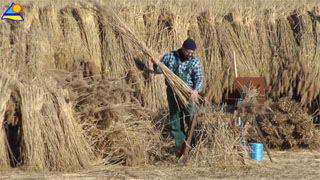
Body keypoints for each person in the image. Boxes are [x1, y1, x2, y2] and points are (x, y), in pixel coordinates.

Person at [151, 38, 204, 153]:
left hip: (188, 93)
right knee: (176, 119)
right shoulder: (170, 56)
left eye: (192, 53)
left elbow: (199, 78)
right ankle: (181, 147)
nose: (190, 54)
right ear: (183, 48)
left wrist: (196, 91)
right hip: (172, 93)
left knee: (192, 117)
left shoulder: (194, 62)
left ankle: (195, 145)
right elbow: (159, 71)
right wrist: (156, 64)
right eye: (188, 52)